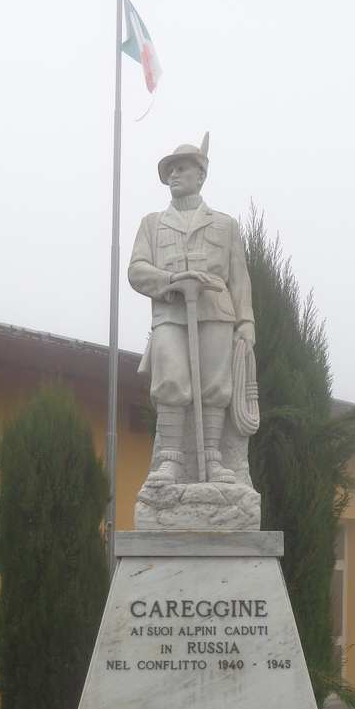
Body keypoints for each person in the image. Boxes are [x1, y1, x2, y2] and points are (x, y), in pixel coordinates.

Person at [128, 134, 256, 484]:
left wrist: (246, 323)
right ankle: (171, 460)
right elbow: (137, 270)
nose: (174, 175)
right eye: (170, 169)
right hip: (171, 313)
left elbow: (239, 278)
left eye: (182, 168)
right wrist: (171, 279)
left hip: (216, 311)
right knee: (171, 379)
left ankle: (212, 459)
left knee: (215, 386)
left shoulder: (224, 224)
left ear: (201, 175)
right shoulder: (152, 224)